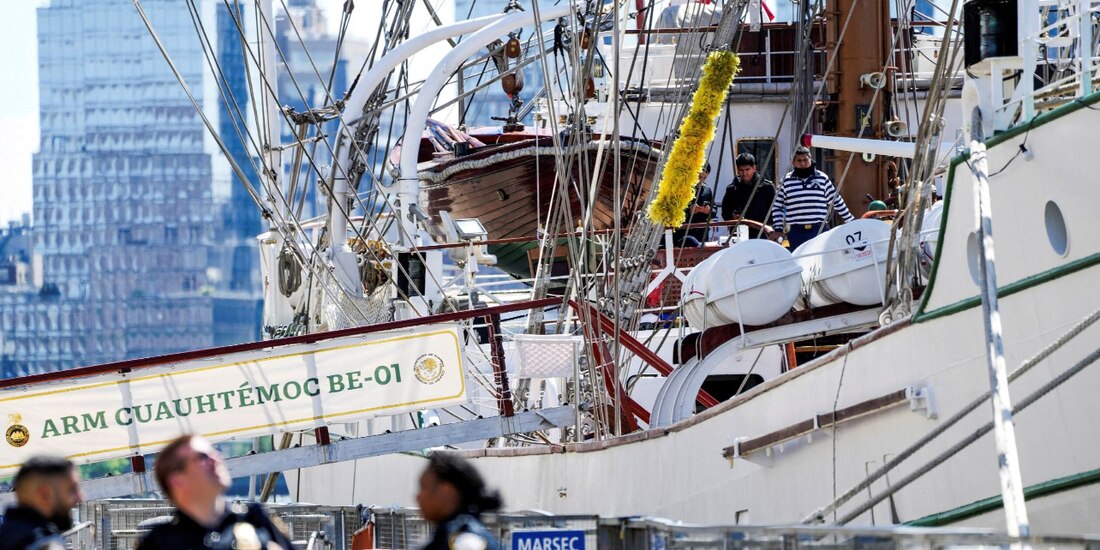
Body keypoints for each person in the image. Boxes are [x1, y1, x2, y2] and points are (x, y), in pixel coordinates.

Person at [137, 435, 295, 550]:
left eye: (215, 452)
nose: (216, 458)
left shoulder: (254, 519)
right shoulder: (159, 543)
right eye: (203, 457)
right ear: (176, 480)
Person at [769, 146, 854, 250]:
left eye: (805, 160)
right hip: (796, 233)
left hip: (819, 230)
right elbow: (777, 206)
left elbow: (836, 201)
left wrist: (850, 221)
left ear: (810, 159)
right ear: (793, 162)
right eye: (799, 160)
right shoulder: (786, 181)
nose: (803, 163)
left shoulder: (822, 178)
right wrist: (778, 228)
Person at [417, 453, 502, 550]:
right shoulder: (445, 536)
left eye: (424, 487)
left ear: (447, 491)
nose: (418, 496)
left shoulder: (464, 542)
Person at [0, 456, 83, 550]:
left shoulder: (7, 535)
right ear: (45, 494)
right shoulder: (45, 544)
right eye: (72, 490)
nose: (80, 498)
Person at [720, 152, 776, 235]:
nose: (744, 173)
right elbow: (725, 212)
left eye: (747, 169)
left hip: (762, 234)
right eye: (741, 170)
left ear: (754, 168)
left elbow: (774, 213)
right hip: (739, 234)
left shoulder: (768, 187)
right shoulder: (732, 189)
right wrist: (732, 217)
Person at [672, 163, 715, 247]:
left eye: (704, 178)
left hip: (701, 233)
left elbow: (714, 210)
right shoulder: (681, 188)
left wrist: (707, 210)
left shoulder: (707, 190)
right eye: (699, 177)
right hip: (683, 233)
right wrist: (689, 210)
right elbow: (674, 210)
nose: (701, 180)